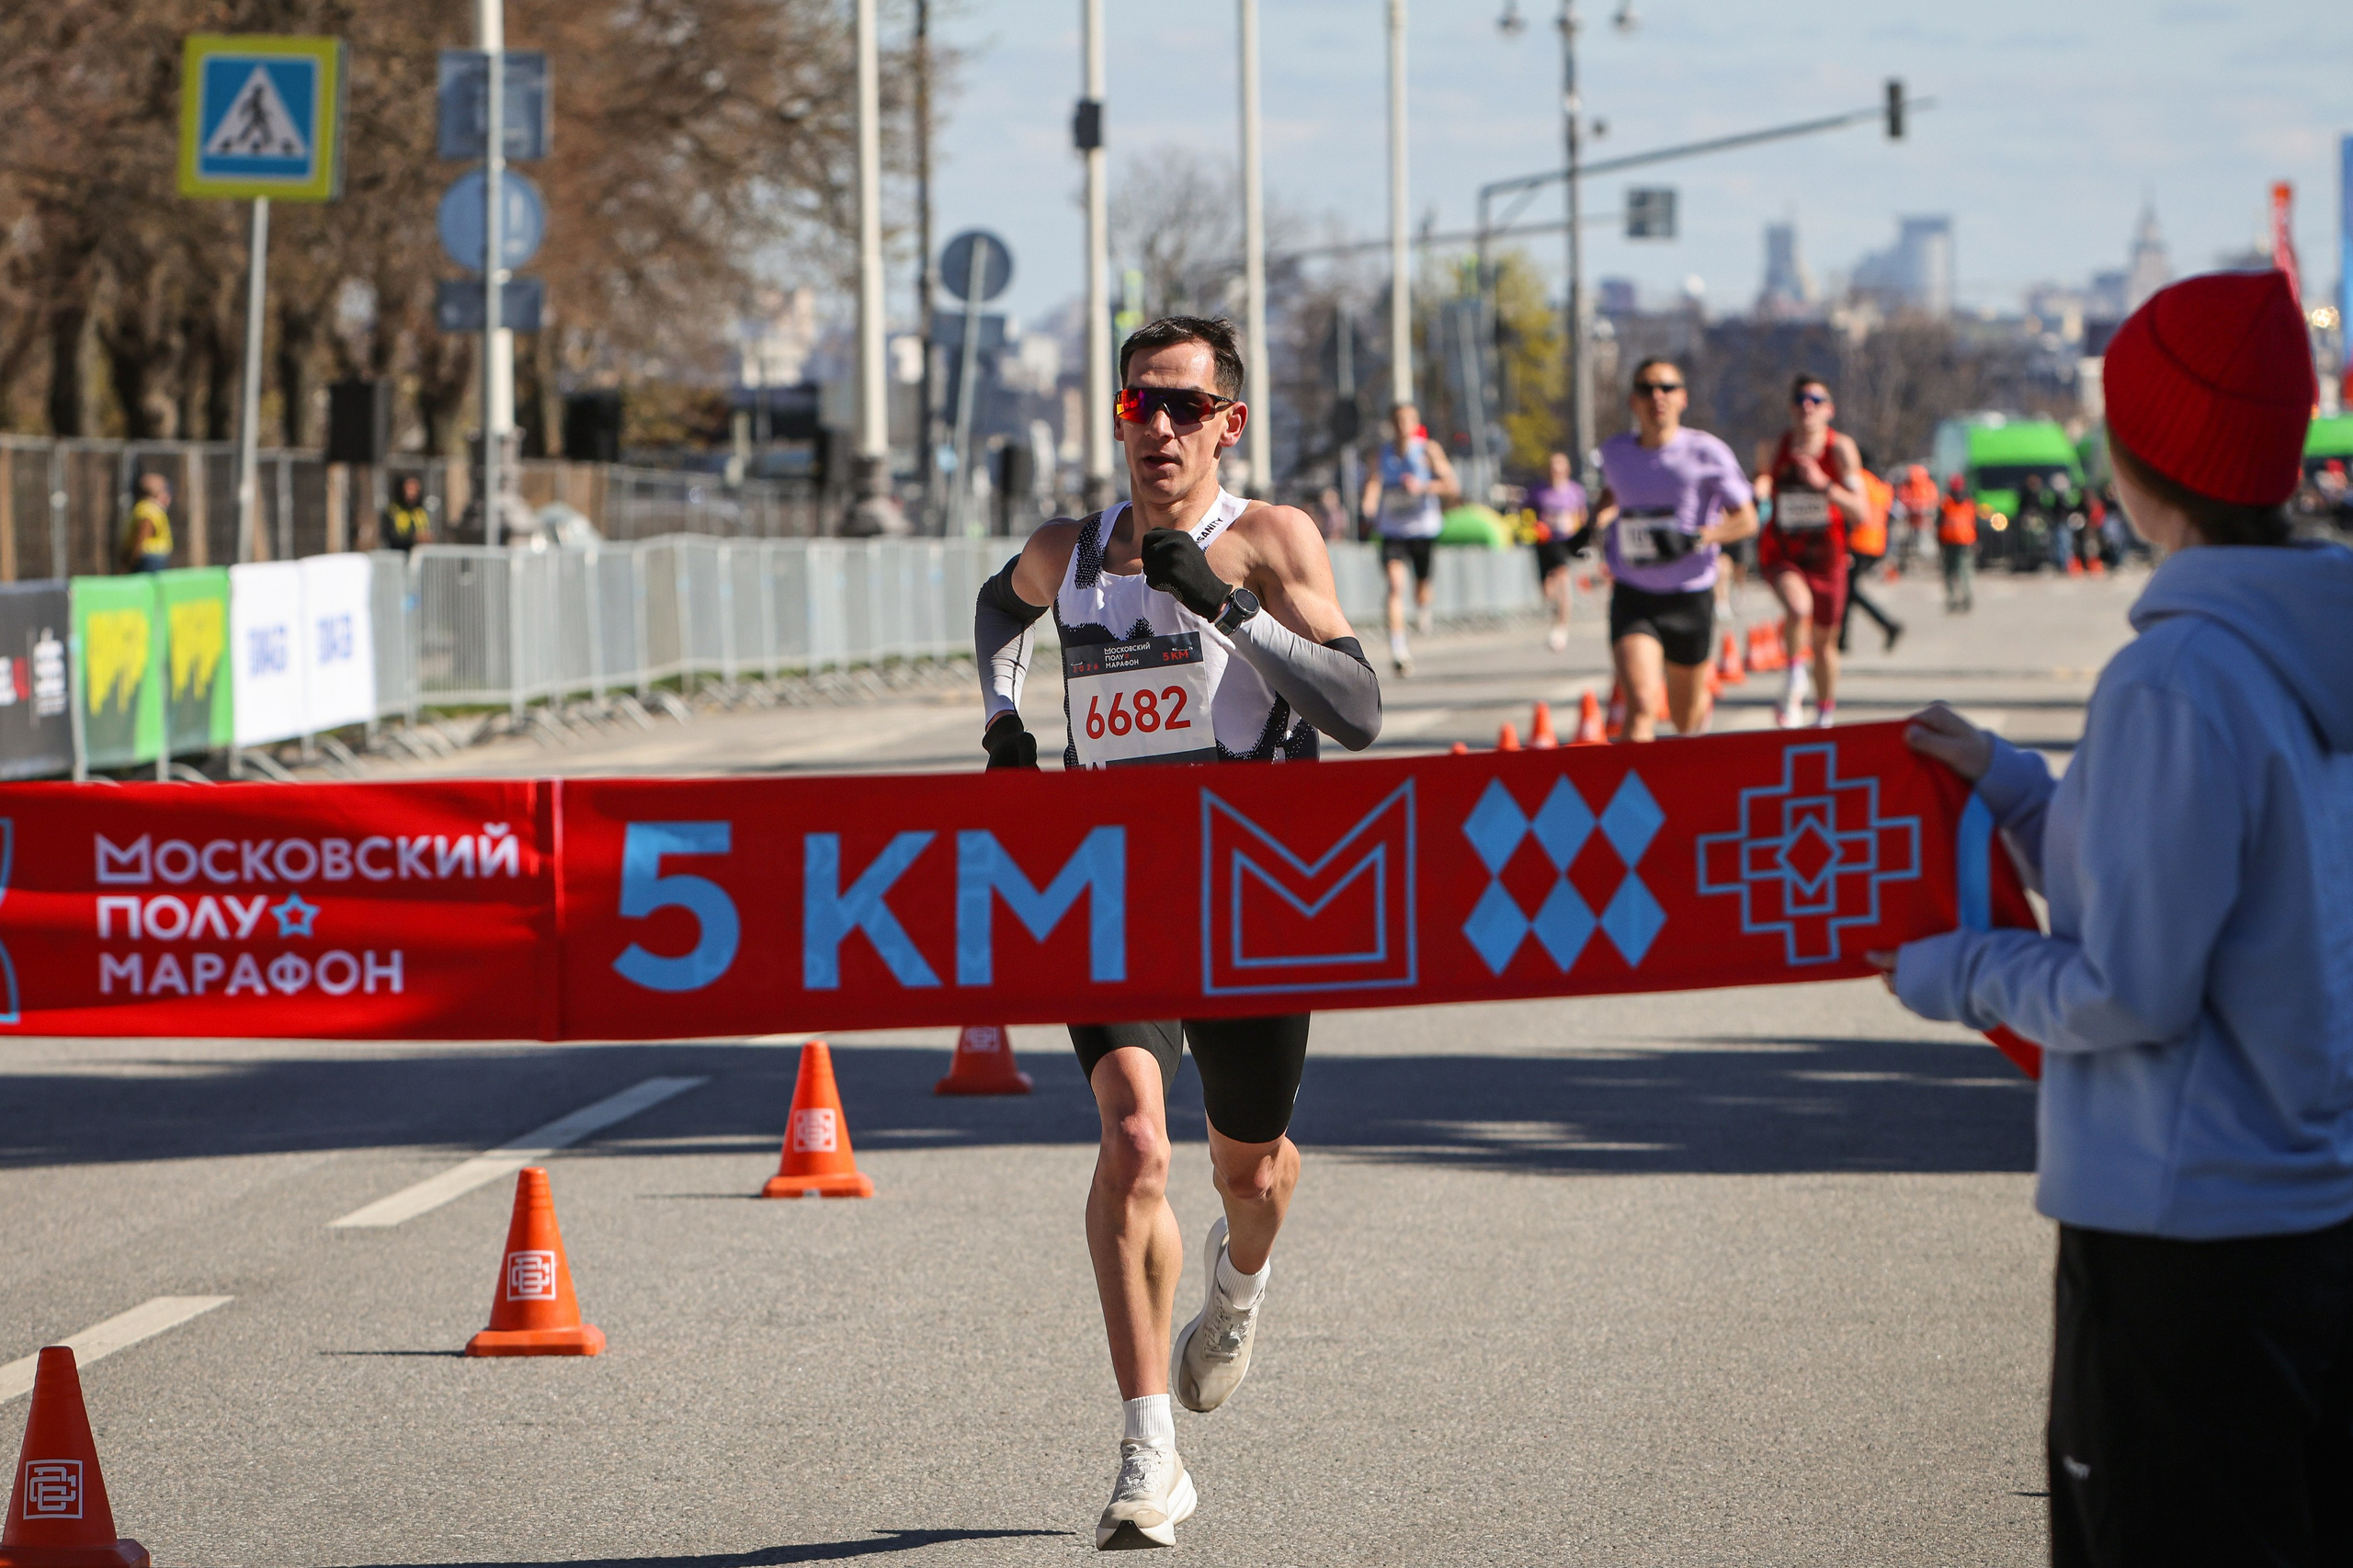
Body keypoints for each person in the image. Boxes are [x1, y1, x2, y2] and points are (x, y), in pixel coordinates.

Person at [1870, 270, 2353, 1567]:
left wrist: (1949, 968)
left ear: (2145, 458)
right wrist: (2022, 786)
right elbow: (2209, 877)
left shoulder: (2175, 673)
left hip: (2175, 1235)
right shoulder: (2305, 653)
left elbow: (2130, 984)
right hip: (2306, 1221)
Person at [972, 314, 1381, 1551]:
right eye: (1137, 405)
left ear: (1228, 424)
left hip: (1258, 903)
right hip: (1115, 896)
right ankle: (1150, 1452)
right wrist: (1003, 726)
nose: (1157, 428)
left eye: (1183, 408)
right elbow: (999, 611)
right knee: (1134, 1138)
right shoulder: (1073, 548)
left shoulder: (1267, 538)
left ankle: (1238, 1285)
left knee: (1248, 1173)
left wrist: (1232, 613)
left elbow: (1358, 709)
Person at [1593, 358, 1758, 741]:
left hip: (1689, 597)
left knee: (1684, 721)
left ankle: (1698, 716)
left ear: (1682, 398)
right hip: (1634, 594)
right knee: (1642, 704)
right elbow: (1614, 493)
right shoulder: (1615, 452)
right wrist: (1592, 523)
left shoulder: (1707, 452)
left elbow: (1747, 519)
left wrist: (1699, 538)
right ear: (1633, 401)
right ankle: (1635, 797)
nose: (1657, 396)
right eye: (1646, 388)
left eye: (1667, 388)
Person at [1752, 374, 1863, 727]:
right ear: (1790, 407)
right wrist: (1760, 487)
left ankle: (1825, 712)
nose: (1807, 406)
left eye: (1816, 399)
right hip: (1783, 550)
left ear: (1829, 409)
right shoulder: (1773, 447)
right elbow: (1763, 478)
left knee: (1824, 645)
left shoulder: (1840, 449)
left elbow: (1861, 511)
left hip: (1827, 556)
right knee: (1798, 608)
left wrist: (1823, 483)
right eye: (1800, 399)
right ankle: (1793, 678)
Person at [1358, 401, 1459, 676]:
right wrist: (1368, 506)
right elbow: (1373, 484)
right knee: (1394, 585)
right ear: (1392, 425)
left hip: (1423, 529)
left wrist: (1424, 486)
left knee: (1421, 588)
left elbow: (1452, 485)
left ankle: (1424, 608)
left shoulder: (1427, 450)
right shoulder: (1382, 454)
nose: (1403, 426)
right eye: (1398, 421)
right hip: (1392, 530)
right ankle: (1398, 649)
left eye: (1408, 420)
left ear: (1415, 424)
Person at [1836, 449, 1904, 654]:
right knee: (1848, 591)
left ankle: (1887, 625)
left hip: (1856, 543)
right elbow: (1893, 513)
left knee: (1849, 591)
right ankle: (1841, 640)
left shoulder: (1858, 481)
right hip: (1876, 544)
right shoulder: (1879, 484)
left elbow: (1848, 512)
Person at [1528, 450, 1588, 653]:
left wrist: (1581, 533)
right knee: (1547, 587)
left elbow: (1583, 516)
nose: (1556, 469)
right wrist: (1534, 525)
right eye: (1553, 465)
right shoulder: (1538, 491)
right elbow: (1526, 513)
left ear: (1567, 469)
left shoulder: (1575, 491)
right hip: (1544, 542)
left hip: (1565, 541)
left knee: (1563, 578)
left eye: (1560, 465)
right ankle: (1554, 609)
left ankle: (1561, 628)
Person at [1936, 474, 1978, 613]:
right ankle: (1961, 598)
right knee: (1960, 571)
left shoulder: (1947, 503)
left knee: (1955, 572)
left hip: (1956, 542)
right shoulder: (1965, 502)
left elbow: (1938, 524)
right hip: (1959, 542)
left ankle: (1958, 598)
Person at [124, 472, 173, 573]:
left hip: (148, 558)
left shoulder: (147, 509)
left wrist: (132, 557)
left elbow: (141, 536)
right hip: (154, 557)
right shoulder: (153, 509)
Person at [382, 473, 432, 552]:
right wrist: (413, 539)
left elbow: (424, 530)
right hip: (398, 555)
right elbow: (390, 536)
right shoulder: (393, 510)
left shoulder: (420, 511)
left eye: (415, 490)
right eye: (409, 489)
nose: (412, 493)